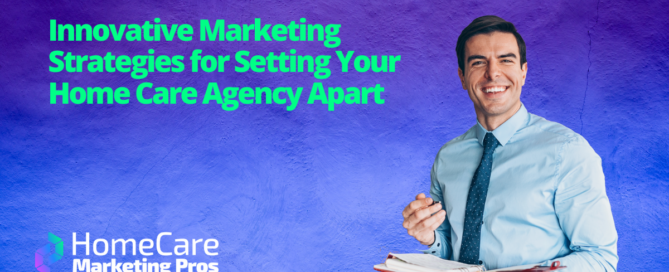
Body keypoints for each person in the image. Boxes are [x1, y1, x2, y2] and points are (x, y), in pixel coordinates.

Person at [401, 15, 618, 271]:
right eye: (479, 62)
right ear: (462, 77)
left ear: (523, 72)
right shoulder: (448, 157)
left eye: (506, 60)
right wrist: (431, 238)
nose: (493, 73)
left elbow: (599, 258)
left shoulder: (568, 151)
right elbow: (450, 250)